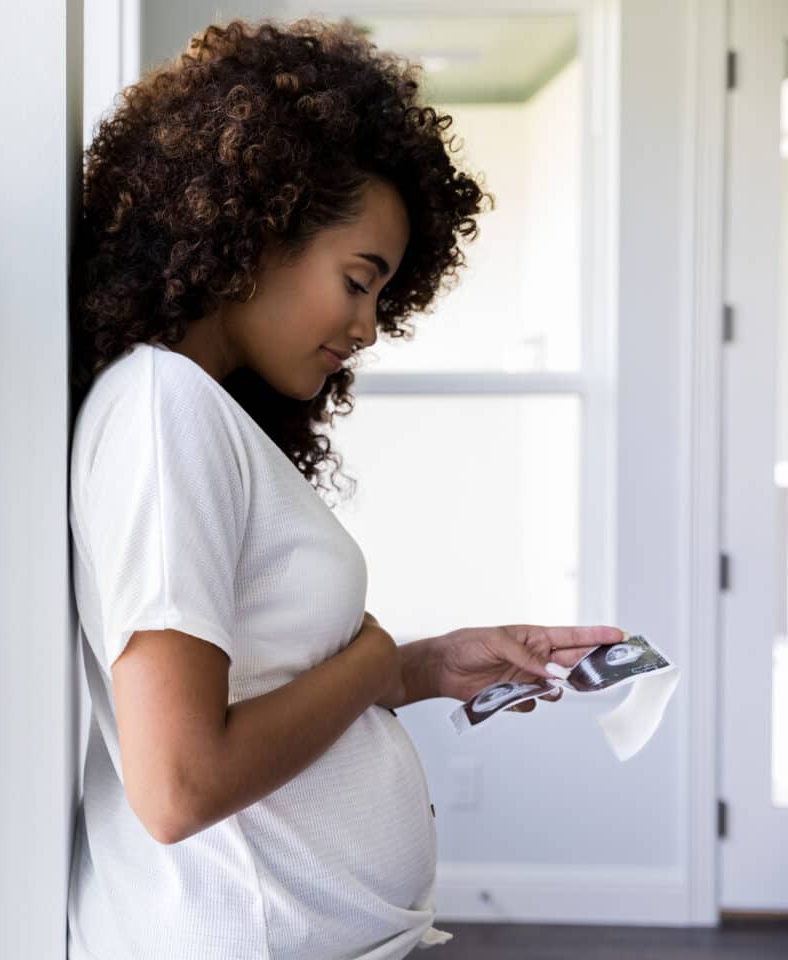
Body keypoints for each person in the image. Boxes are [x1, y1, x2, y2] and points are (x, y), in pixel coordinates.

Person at [66, 16, 625, 960]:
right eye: (359, 281)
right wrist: (368, 666)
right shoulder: (164, 410)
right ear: (254, 226)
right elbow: (180, 787)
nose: (369, 327)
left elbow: (260, 682)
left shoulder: (193, 409)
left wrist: (424, 665)